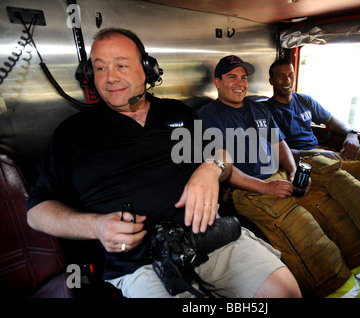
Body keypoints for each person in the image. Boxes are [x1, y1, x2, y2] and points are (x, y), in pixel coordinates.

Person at [26, 28, 301, 298]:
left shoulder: (177, 111)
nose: (110, 77)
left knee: (284, 291)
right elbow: (37, 211)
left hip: (209, 237)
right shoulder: (72, 133)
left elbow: (222, 158)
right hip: (138, 262)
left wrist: (210, 168)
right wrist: (95, 226)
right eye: (99, 68)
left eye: (121, 65)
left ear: (147, 68)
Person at [198, 55, 360, 298]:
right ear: (217, 82)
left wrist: (292, 170)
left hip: (280, 173)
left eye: (243, 77)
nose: (240, 82)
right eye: (232, 77)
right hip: (246, 187)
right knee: (304, 229)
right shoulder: (209, 115)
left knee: (332, 210)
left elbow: (279, 144)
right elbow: (221, 167)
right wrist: (265, 187)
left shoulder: (256, 109)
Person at [266, 59, 360, 209]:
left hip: (319, 152)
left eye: (290, 74)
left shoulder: (304, 100)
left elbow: (331, 119)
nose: (287, 80)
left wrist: (351, 133)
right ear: (271, 81)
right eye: (280, 76)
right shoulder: (266, 111)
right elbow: (275, 151)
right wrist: (314, 153)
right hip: (302, 161)